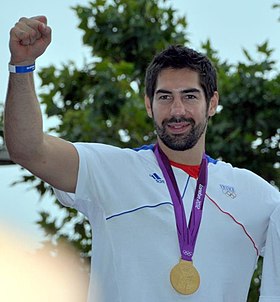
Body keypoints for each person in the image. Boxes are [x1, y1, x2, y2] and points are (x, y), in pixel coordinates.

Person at [4, 16, 280, 302]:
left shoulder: (253, 194)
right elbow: (28, 148)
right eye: (164, 97)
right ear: (149, 104)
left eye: (189, 96)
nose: (177, 110)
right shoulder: (111, 170)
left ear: (212, 103)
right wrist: (22, 65)